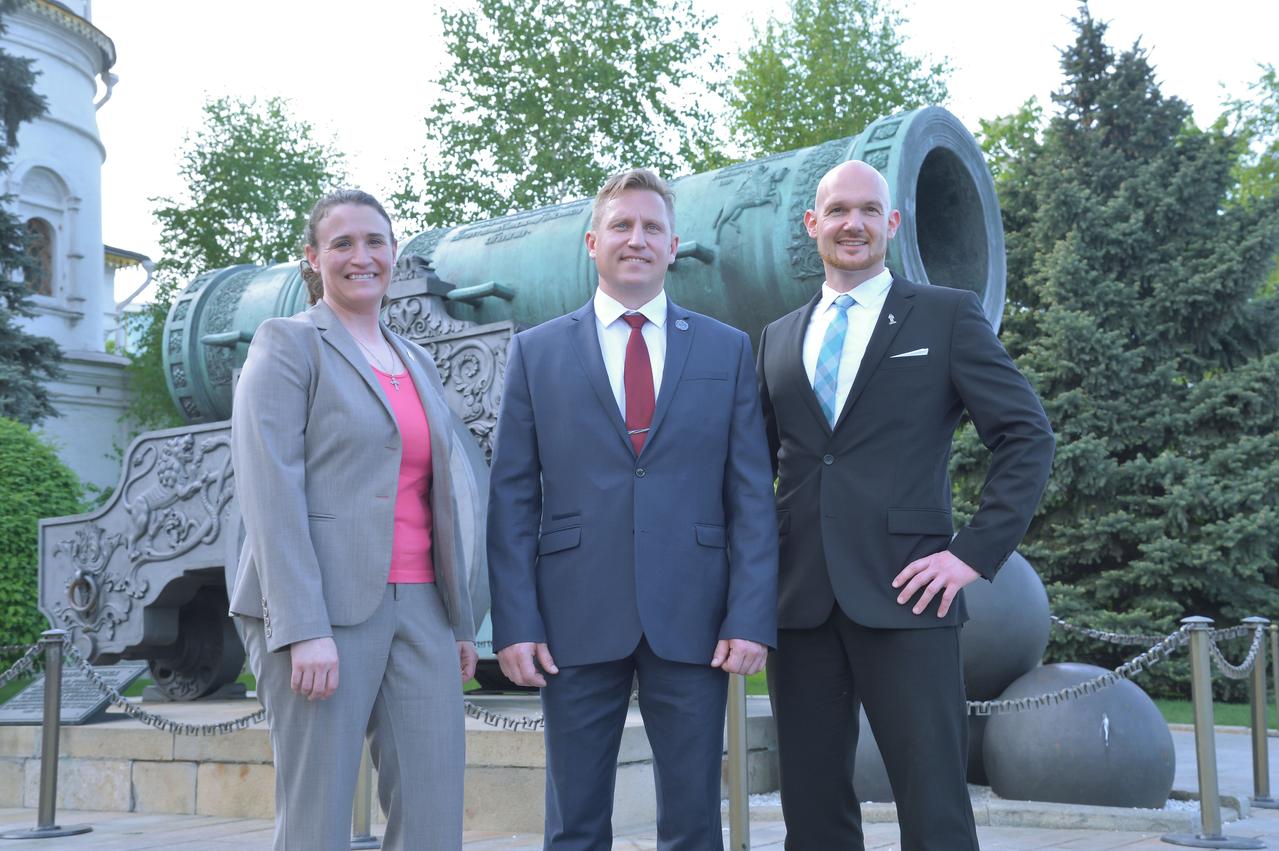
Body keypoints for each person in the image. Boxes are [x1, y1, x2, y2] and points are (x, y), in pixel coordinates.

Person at [756, 160, 1054, 850]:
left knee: (935, 805)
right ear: (813, 225)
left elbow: (1025, 435)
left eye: (868, 210)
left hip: (909, 594)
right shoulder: (776, 337)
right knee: (811, 805)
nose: (851, 223)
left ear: (891, 223)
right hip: (798, 603)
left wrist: (971, 554)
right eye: (836, 211)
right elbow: (747, 469)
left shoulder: (945, 315)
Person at [487, 168, 778, 850]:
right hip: (572, 619)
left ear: (673, 245)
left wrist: (748, 613)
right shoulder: (535, 352)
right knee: (575, 824)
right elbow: (510, 496)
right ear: (592, 242)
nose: (636, 239)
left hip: (695, 616)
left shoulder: (726, 349)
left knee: (693, 822)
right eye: (621, 225)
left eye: (651, 227)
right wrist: (515, 622)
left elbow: (749, 496)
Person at [229, 189, 478, 851]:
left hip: (422, 605)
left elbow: (441, 496)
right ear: (312, 258)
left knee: (433, 817)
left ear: (394, 254)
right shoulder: (287, 345)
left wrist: (457, 617)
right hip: (320, 614)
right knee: (317, 820)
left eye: (375, 242)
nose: (361, 257)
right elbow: (268, 488)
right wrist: (302, 626)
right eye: (342, 243)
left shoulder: (417, 359)